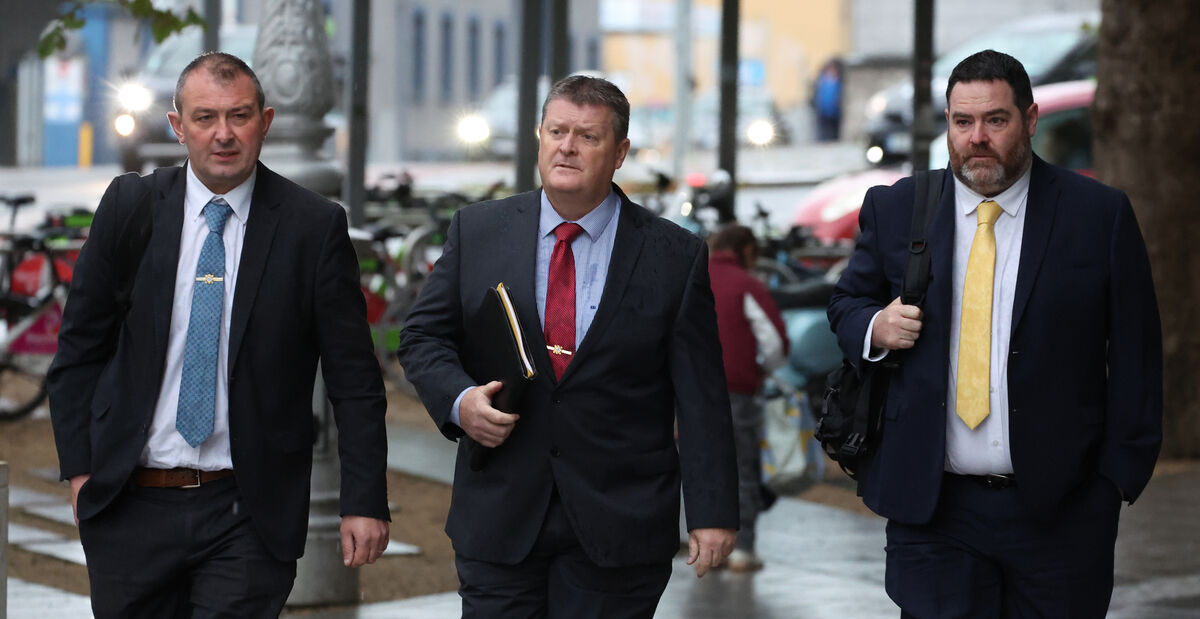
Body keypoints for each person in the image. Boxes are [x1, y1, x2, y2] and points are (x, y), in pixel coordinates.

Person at [47, 52, 390, 618]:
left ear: (267, 121)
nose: (223, 134)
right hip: (131, 505)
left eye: (240, 116)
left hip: (248, 512)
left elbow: (354, 381)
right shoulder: (130, 208)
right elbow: (79, 349)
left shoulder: (312, 227)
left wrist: (363, 500)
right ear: (178, 126)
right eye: (205, 118)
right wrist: (82, 471)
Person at [828, 49, 1162, 617]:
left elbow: (1137, 355)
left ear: (1030, 120)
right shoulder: (899, 207)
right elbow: (846, 302)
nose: (976, 138)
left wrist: (1114, 483)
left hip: (1061, 512)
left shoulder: (1097, 215)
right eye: (963, 122)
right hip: (933, 512)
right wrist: (875, 326)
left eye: (995, 120)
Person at [395, 75, 739, 617]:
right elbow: (422, 336)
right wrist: (460, 401)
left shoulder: (675, 256)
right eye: (556, 130)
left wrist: (712, 511)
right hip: (500, 516)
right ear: (539, 137)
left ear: (620, 152)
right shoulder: (478, 230)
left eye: (587, 136)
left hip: (619, 526)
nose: (567, 147)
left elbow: (702, 396)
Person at [707, 224, 788, 572]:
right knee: (740, 470)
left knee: (695, 469)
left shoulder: (690, 278)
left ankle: (701, 549)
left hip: (683, 394)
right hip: (734, 390)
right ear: (748, 251)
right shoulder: (747, 284)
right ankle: (742, 551)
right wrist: (763, 370)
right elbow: (774, 343)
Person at [812, 58, 843, 142]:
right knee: (824, 131)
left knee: (834, 132)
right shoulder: (822, 80)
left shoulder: (838, 81)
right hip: (823, 110)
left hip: (835, 111)